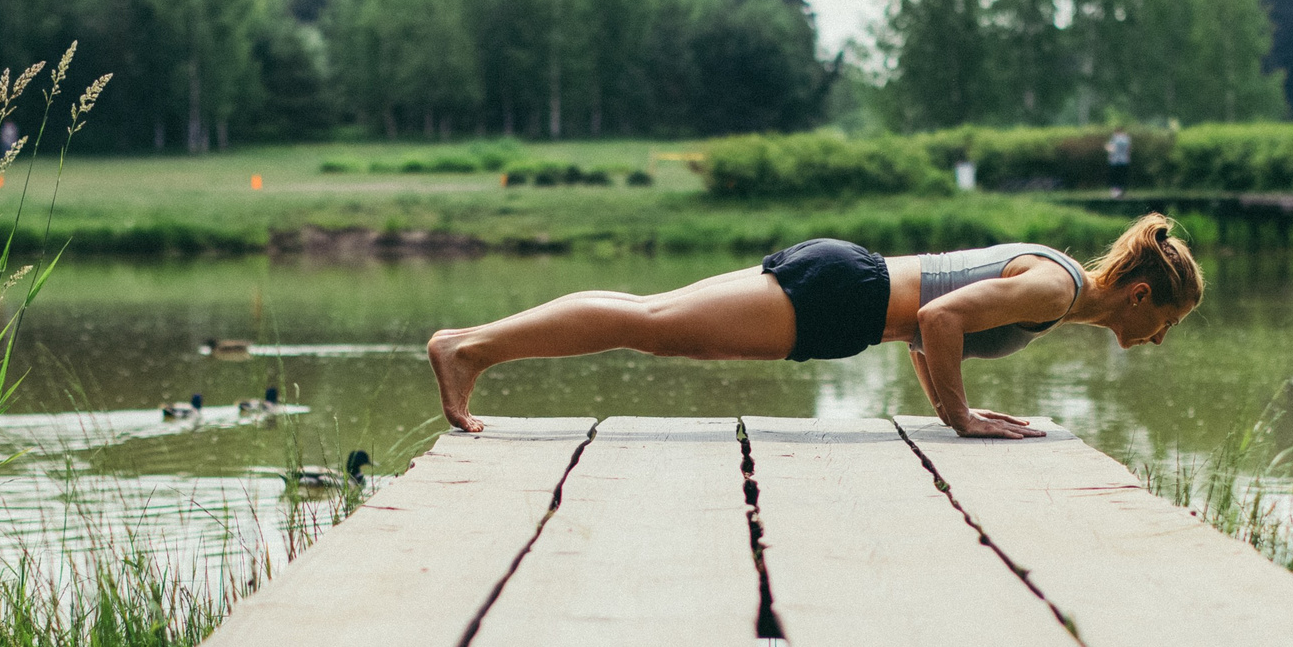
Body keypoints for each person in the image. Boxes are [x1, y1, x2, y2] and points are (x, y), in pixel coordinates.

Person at [426, 212, 1202, 439]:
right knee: (652, 323)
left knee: (654, 320)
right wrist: (960, 419)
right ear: (1139, 297)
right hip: (845, 297)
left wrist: (950, 409)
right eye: (1165, 321)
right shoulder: (1057, 289)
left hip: (848, 287)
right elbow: (938, 318)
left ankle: (475, 349)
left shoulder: (1052, 275)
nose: (1159, 338)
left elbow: (926, 328)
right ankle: (468, 349)